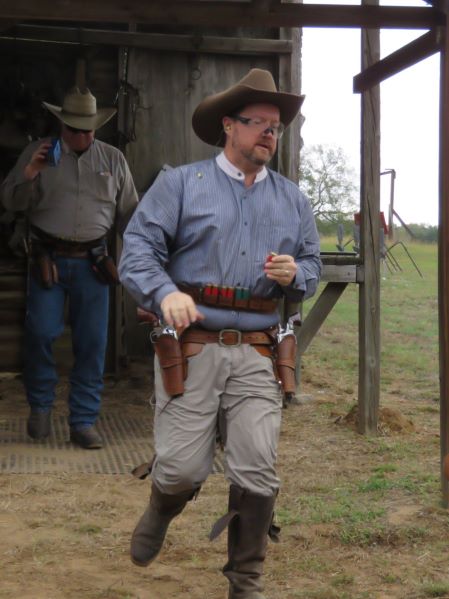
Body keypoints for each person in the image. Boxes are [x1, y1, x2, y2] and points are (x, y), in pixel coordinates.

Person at [118, 68, 321, 598]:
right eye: (260, 123)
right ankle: (163, 504)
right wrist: (164, 292)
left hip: (258, 351)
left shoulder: (293, 200)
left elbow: (313, 264)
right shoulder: (181, 184)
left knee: (257, 470)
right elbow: (137, 251)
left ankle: (245, 580)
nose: (270, 134)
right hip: (192, 347)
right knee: (183, 469)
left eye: (277, 127)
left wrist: (296, 274)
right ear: (229, 126)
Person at [1, 84, 138, 449]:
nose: (82, 136)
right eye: (75, 129)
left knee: (92, 343)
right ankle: (40, 405)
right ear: (62, 125)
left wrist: (147, 255)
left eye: (88, 130)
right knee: (41, 333)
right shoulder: (38, 153)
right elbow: (11, 202)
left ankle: (83, 421)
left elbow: (130, 215)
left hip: (94, 263)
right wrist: (30, 172)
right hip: (48, 258)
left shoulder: (113, 160)